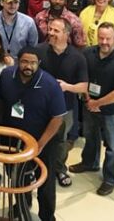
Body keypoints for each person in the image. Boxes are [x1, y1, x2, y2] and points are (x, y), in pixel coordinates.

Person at [0, 47, 66, 221]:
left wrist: (40, 144)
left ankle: (47, 216)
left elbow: (58, 118)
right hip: (13, 139)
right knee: (16, 176)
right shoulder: (6, 76)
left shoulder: (50, 85)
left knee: (45, 181)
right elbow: (1, 104)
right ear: (18, 61)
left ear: (39, 63)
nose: (29, 66)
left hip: (43, 141)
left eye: (33, 62)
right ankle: (22, 204)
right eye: (25, 61)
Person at [69, 22, 114, 196]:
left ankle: (110, 179)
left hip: (111, 111)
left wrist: (98, 103)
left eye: (108, 38)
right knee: (90, 136)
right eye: (101, 37)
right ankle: (89, 163)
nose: (104, 42)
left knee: (112, 145)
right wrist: (89, 99)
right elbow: (83, 78)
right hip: (89, 104)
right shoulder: (88, 54)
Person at [35, 17, 88, 189]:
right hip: (40, 107)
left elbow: (84, 86)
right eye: (50, 29)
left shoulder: (78, 57)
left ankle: (59, 169)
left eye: (56, 31)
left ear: (66, 34)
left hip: (65, 108)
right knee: (37, 137)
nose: (50, 33)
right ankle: (34, 169)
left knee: (61, 141)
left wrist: (67, 87)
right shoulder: (39, 51)